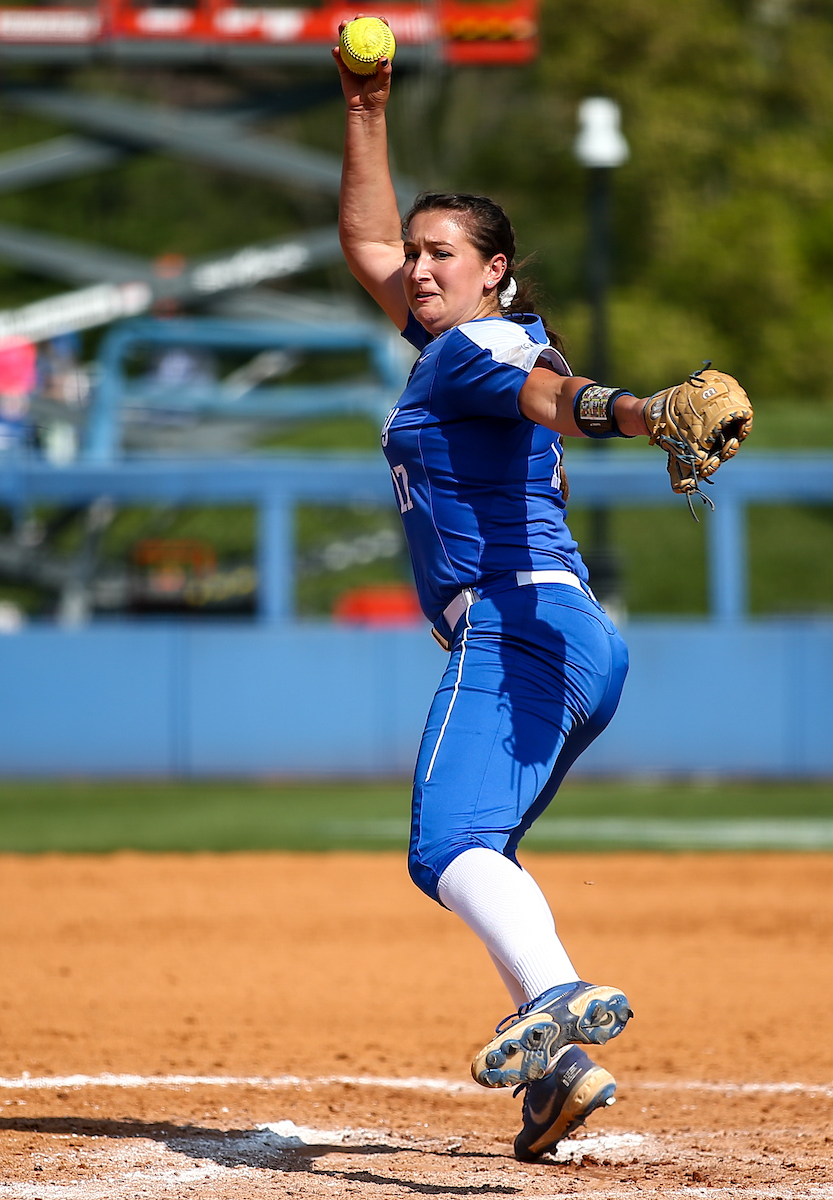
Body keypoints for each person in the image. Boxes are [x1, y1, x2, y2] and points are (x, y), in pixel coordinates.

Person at [335, 28, 653, 1163]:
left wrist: (642, 412)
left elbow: (552, 397)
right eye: (418, 255)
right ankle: (560, 1070)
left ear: (495, 272)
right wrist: (366, 106)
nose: (418, 267)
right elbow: (368, 238)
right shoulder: (458, 340)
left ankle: (560, 999)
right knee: (487, 855)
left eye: (443, 254)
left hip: (514, 625)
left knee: (444, 846)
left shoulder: (478, 346)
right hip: (570, 633)